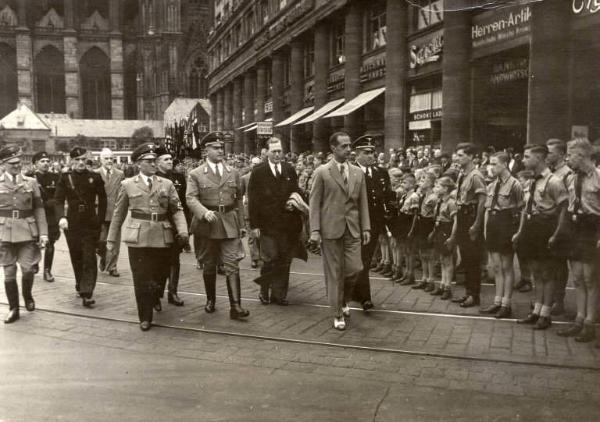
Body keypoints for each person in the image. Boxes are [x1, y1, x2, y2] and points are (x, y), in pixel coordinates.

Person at [107, 144, 188, 331]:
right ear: (138, 164)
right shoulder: (128, 185)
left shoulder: (166, 184)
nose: (153, 164)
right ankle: (145, 316)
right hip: (138, 237)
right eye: (148, 161)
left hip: (162, 235)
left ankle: (156, 294)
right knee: (141, 277)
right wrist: (111, 240)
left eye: (154, 161)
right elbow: (118, 214)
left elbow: (177, 210)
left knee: (160, 275)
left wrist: (183, 230)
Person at [309, 132, 371, 331]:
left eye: (349, 145)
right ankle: (337, 313)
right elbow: (314, 203)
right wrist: (315, 230)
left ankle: (343, 299)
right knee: (334, 273)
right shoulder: (322, 172)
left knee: (355, 269)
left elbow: (363, 203)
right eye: (344, 146)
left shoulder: (357, 173)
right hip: (330, 230)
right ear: (333, 149)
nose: (349, 149)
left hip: (352, 229)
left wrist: (366, 227)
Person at [187, 133, 249, 320]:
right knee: (209, 263)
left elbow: (238, 199)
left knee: (232, 263)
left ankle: (236, 306)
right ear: (206, 150)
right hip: (207, 224)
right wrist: (203, 212)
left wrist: (241, 223)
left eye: (222, 147)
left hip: (229, 222)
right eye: (216, 148)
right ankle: (210, 300)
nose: (220, 151)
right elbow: (191, 198)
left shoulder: (233, 172)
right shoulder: (196, 174)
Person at [513, 145, 568, 330]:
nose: (523, 160)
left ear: (539, 157)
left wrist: (556, 234)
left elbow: (563, 209)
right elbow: (525, 208)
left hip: (546, 227)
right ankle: (536, 310)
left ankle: (545, 314)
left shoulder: (554, 181)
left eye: (527, 156)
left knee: (547, 273)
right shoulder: (531, 181)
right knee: (536, 271)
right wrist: (521, 232)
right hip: (532, 227)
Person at [248, 137, 305, 306]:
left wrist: (294, 202)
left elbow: (296, 191)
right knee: (270, 258)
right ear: (267, 153)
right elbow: (253, 200)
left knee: (285, 260)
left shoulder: (289, 169)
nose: (278, 154)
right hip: (267, 224)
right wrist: (254, 225)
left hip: (288, 224)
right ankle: (264, 291)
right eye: (274, 151)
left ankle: (279, 294)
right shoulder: (258, 171)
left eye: (280, 151)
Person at [556, 138, 600, 343]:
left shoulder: (598, 177)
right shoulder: (571, 178)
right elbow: (568, 205)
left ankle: (590, 323)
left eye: (571, 154)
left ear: (582, 155)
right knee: (577, 277)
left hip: (592, 228)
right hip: (576, 227)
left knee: (591, 278)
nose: (568, 158)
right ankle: (579, 320)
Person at [0, 146, 49, 323]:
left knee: (28, 269)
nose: (16, 166)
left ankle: (27, 294)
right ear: (3, 164)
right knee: (9, 273)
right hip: (3, 233)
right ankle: (14, 308)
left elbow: (39, 209)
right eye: (12, 163)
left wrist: (43, 233)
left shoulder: (31, 182)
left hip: (27, 232)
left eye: (19, 162)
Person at [55, 147, 107, 307]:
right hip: (72, 223)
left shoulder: (95, 177)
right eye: (77, 160)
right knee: (76, 257)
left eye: (83, 160)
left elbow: (103, 199)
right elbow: (58, 200)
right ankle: (80, 284)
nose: (80, 163)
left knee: (89, 257)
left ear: (87, 160)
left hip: (90, 223)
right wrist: (61, 217)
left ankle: (87, 292)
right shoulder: (65, 178)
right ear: (71, 161)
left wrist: (100, 220)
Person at [350, 136, 394, 311]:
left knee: (365, 260)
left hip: (375, 223)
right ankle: (365, 298)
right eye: (367, 152)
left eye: (373, 152)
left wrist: (389, 215)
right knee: (363, 260)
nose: (371, 156)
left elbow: (388, 195)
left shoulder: (380, 172)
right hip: (357, 224)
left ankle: (356, 292)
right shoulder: (351, 172)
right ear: (357, 154)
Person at [479, 152, 524, 319]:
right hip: (493, 224)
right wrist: (485, 229)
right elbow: (487, 209)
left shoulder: (515, 185)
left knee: (506, 266)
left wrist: (518, 232)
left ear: (505, 164)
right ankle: (497, 301)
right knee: (496, 266)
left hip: (506, 224)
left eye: (495, 163)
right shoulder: (491, 185)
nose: (491, 167)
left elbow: (521, 210)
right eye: (490, 163)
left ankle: (506, 304)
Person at [446, 143, 486, 308]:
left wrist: (477, 224)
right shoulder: (463, 174)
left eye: (461, 155)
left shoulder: (476, 175)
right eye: (457, 154)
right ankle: (469, 293)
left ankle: (474, 295)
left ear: (471, 157)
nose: (457, 157)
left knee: (473, 258)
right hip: (463, 216)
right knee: (466, 258)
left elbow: (482, 200)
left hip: (471, 216)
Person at [154, 147, 187, 308]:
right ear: (157, 162)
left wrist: (185, 227)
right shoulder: (153, 178)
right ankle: (156, 294)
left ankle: (172, 292)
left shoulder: (178, 177)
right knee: (159, 260)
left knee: (175, 259)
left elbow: (184, 204)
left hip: (175, 225)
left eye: (170, 159)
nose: (170, 161)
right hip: (159, 225)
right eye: (166, 159)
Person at [545, 138, 572, 317]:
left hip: (563, 224)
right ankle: (552, 299)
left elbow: (567, 203)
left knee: (559, 263)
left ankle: (558, 301)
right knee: (551, 263)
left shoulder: (567, 174)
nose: (547, 156)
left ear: (561, 154)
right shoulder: (553, 172)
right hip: (551, 222)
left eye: (550, 153)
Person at [95, 148, 124, 278]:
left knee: (115, 241)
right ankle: (103, 256)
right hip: (99, 213)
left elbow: (122, 193)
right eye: (106, 158)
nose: (109, 161)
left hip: (115, 212)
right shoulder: (95, 174)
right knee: (101, 240)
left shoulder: (120, 174)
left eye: (111, 158)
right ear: (101, 160)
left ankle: (113, 266)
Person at [32, 151, 60, 282]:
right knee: (34, 241)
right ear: (35, 164)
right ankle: (35, 262)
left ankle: (47, 270)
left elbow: (59, 197)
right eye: (42, 161)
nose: (45, 164)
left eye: (47, 161)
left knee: (50, 243)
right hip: (34, 216)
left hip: (50, 215)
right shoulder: (29, 177)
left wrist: (49, 203)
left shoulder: (55, 177)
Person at [430, 176, 457, 299]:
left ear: (446, 188)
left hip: (447, 230)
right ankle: (442, 284)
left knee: (448, 260)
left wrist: (452, 237)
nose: (435, 188)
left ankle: (448, 287)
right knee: (442, 259)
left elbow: (456, 221)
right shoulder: (440, 201)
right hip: (439, 230)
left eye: (438, 186)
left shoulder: (451, 202)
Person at [241, 157, 262, 269]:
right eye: (253, 164)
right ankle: (254, 258)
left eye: (257, 164)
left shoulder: (265, 177)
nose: (255, 166)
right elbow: (240, 194)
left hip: (262, 211)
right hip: (249, 209)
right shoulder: (245, 178)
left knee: (261, 235)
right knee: (252, 236)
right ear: (250, 165)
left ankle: (262, 255)